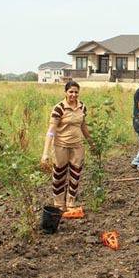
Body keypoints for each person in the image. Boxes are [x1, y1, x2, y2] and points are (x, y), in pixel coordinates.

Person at [41, 81, 93, 211]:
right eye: (71, 92)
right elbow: (51, 130)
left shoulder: (82, 107)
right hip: (61, 145)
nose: (73, 95)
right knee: (59, 174)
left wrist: (91, 142)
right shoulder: (59, 108)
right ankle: (59, 203)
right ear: (65, 92)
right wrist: (45, 152)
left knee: (75, 174)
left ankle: (71, 202)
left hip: (77, 146)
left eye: (76, 92)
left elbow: (83, 126)